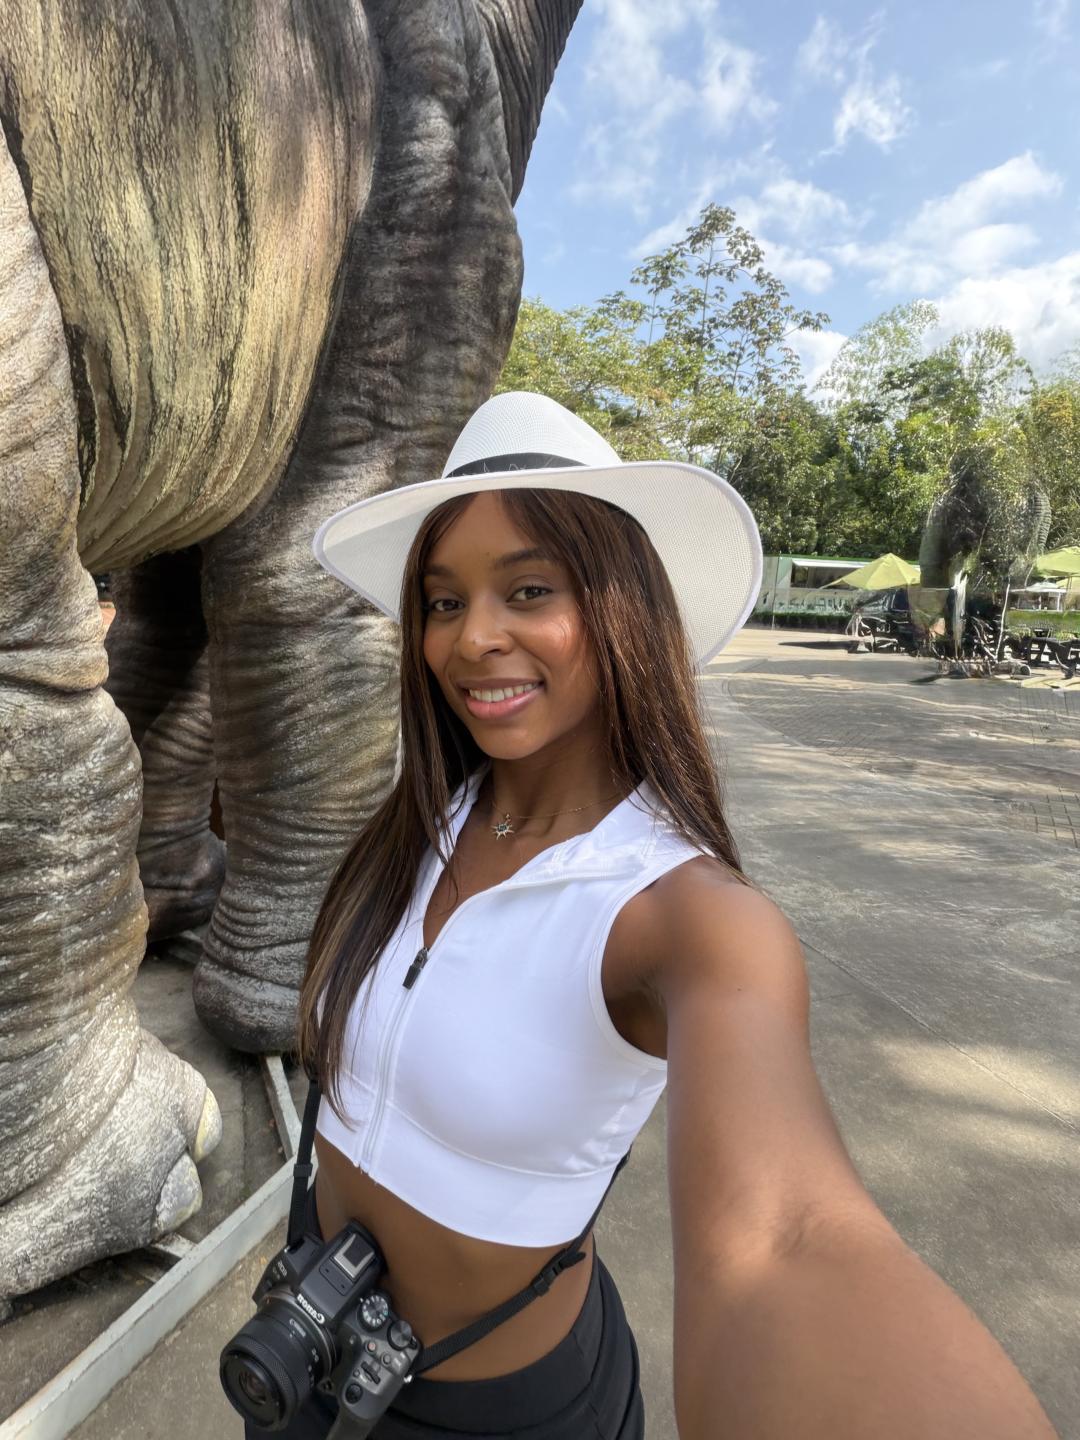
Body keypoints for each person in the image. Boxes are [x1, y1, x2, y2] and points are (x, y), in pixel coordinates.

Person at [288, 392, 1056, 1439]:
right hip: (302, 1342)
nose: (473, 638)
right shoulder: (423, 818)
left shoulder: (687, 919)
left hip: (497, 1411)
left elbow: (788, 1239)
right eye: (442, 601)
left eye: (528, 589)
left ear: (623, 608)